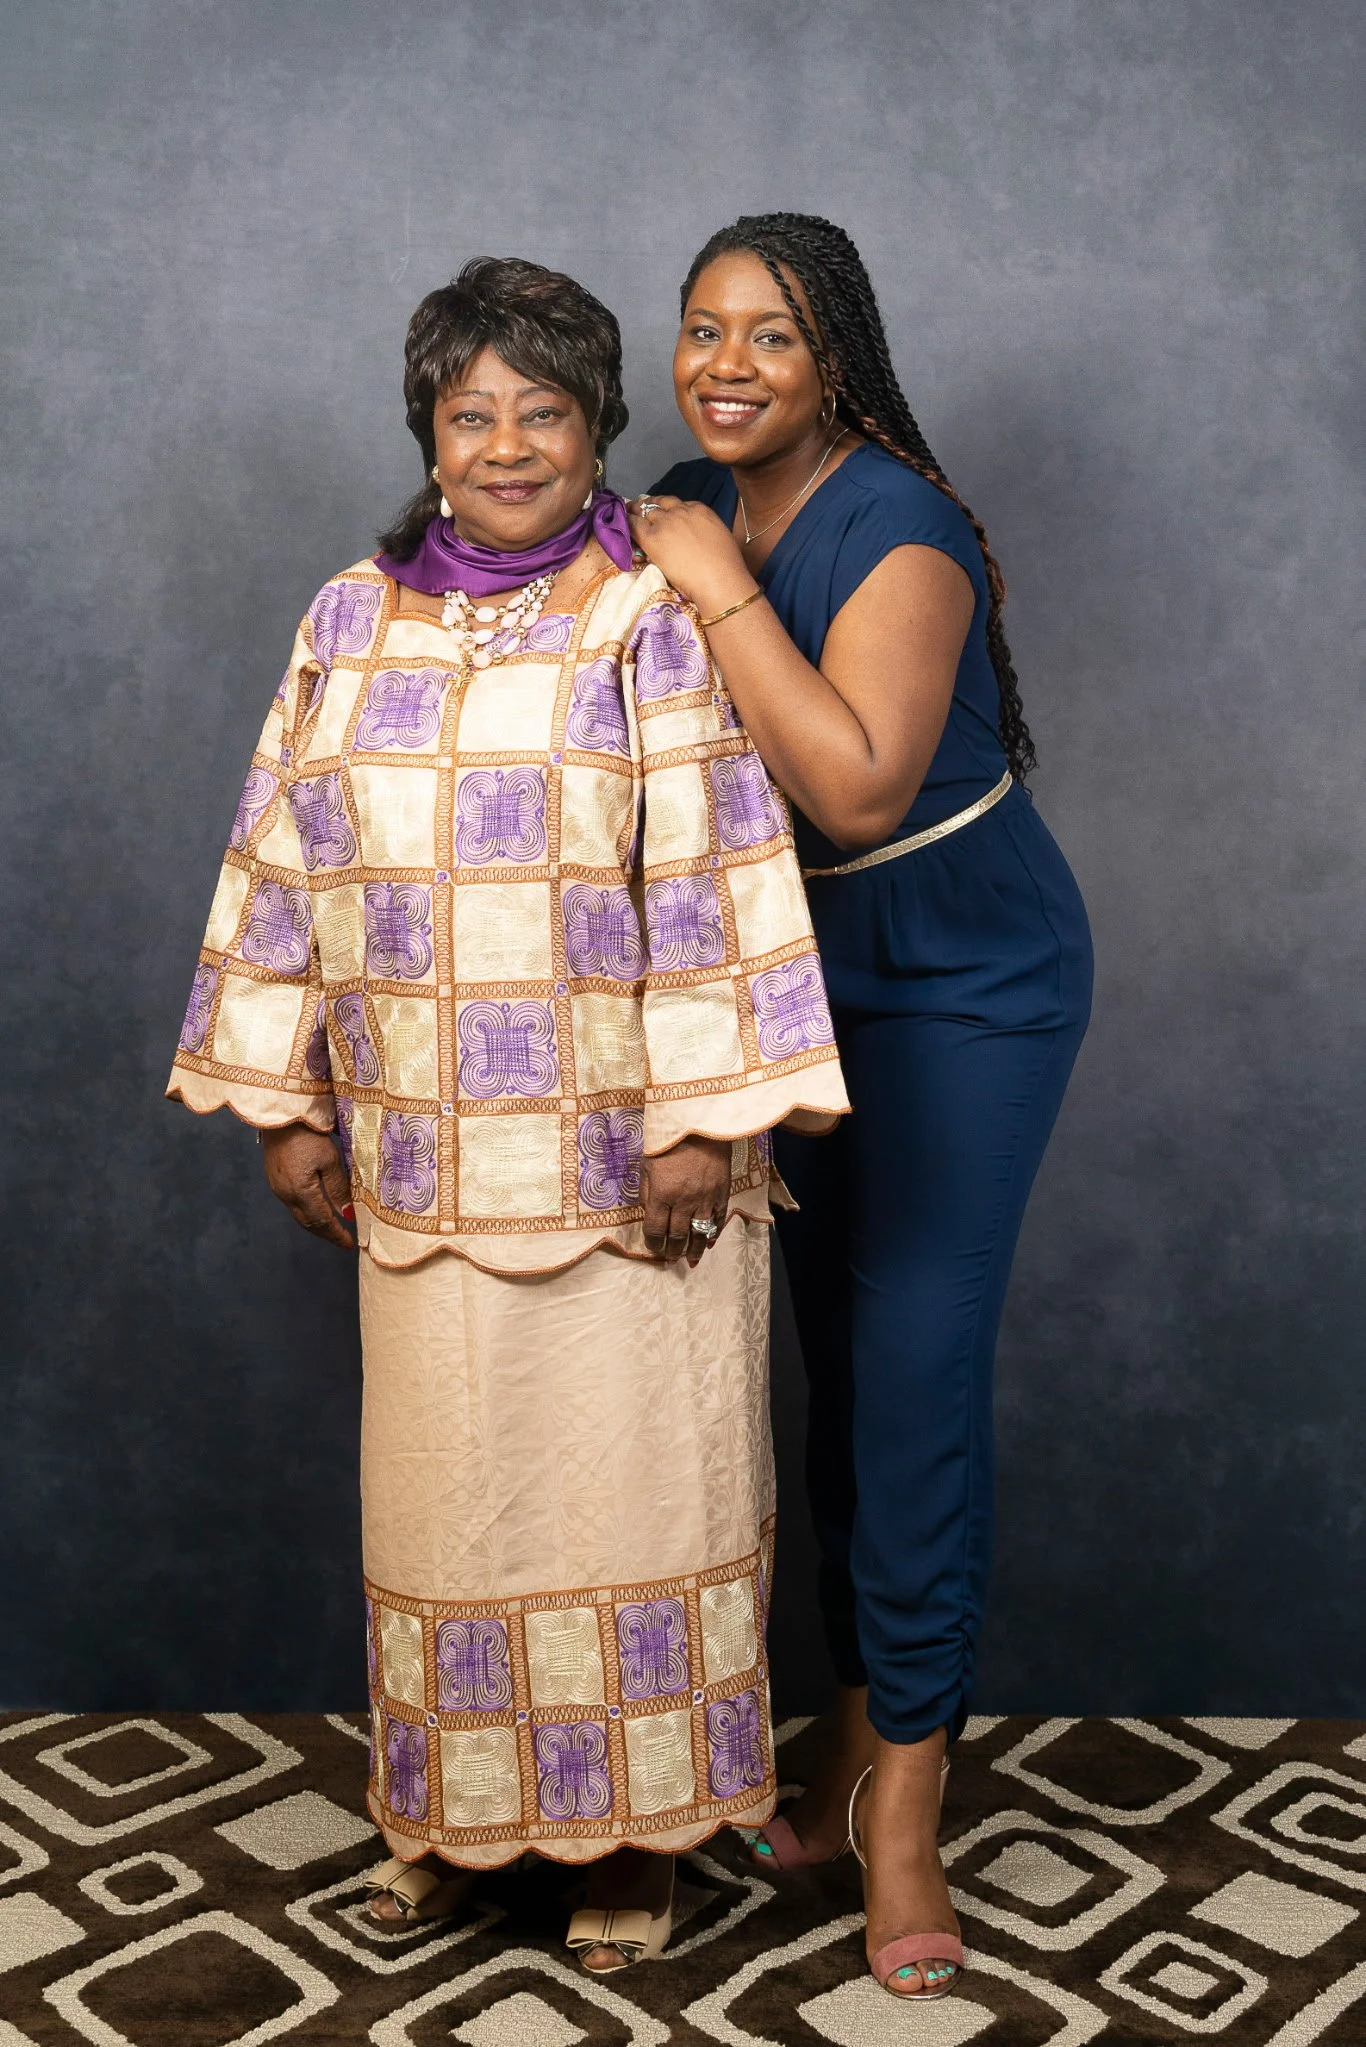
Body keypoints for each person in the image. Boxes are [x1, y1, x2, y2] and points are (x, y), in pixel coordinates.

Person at [167, 256, 847, 1975]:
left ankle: (643, 1839)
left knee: (631, 1496)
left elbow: (709, 863)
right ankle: (458, 1822)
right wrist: (283, 1094)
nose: (506, 444)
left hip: (629, 1154)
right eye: (470, 414)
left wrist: (707, 1113)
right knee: (449, 1498)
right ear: (429, 430)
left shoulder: (643, 614)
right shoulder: (348, 614)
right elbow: (278, 858)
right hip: (414, 1141)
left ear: (596, 423)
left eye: (542, 411)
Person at [631, 212, 1093, 2002]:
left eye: (770, 333)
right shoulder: (683, 492)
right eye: (700, 330)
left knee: (910, 1368)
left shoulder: (903, 527)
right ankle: (842, 1741)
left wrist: (709, 577)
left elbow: (855, 789)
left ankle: (905, 1807)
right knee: (824, 1361)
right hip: (793, 988)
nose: (726, 364)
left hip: (965, 984)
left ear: (839, 360)